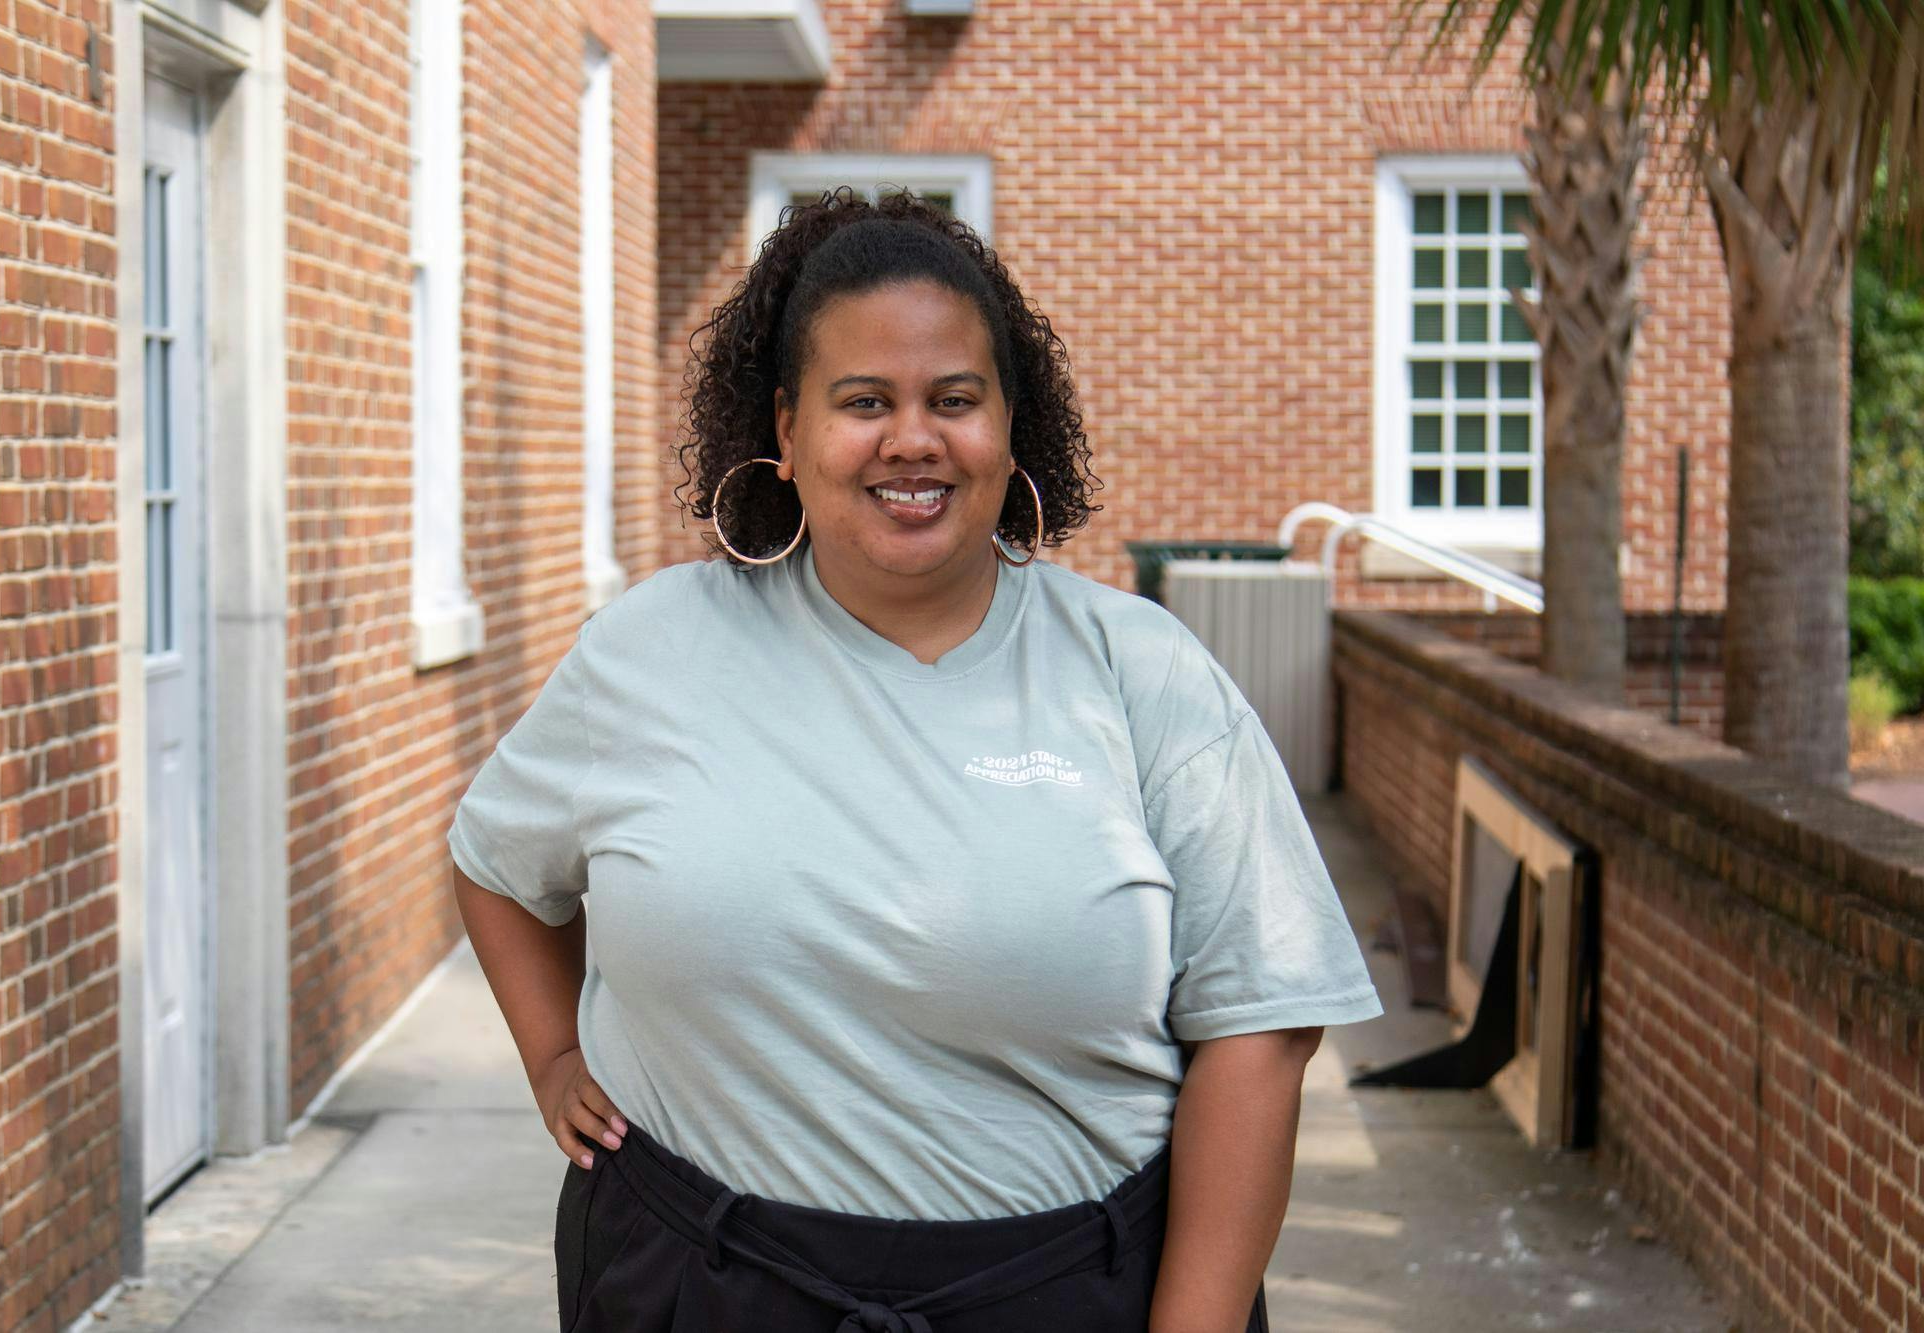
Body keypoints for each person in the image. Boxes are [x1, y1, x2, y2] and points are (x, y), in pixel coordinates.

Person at [448, 188, 1383, 1333]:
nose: (911, 439)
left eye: (953, 399)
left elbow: (1260, 1025)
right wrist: (551, 1056)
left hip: (1062, 1294)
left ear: (1007, 424)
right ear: (785, 432)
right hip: (694, 1283)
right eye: (861, 402)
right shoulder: (650, 648)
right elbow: (496, 863)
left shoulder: (1142, 672)